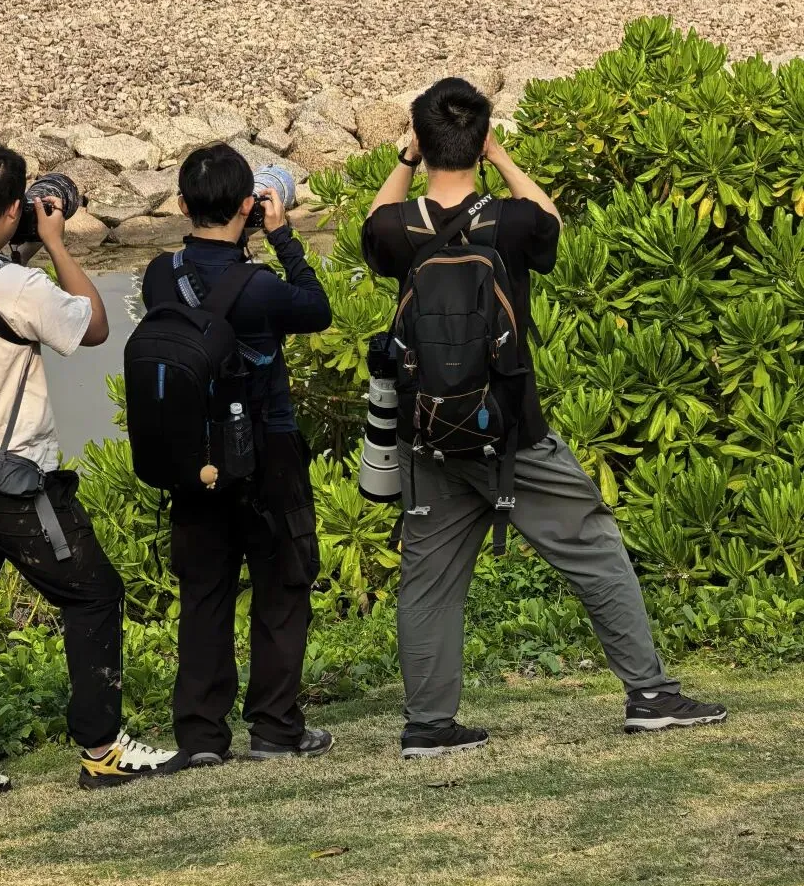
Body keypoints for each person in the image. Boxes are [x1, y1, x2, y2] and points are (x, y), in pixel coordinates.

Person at [361, 78, 727, 758]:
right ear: (480, 138)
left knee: (428, 583)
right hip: (513, 436)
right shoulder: (511, 222)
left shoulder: (399, 229)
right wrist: (500, 156)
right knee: (593, 547)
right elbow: (550, 219)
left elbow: (372, 227)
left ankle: (429, 726)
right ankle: (649, 695)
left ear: (420, 139)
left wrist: (406, 160)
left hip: (427, 437)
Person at [0, 141, 174, 799]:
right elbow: (94, 326)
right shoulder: (18, 285)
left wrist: (18, 242)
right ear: (11, 210)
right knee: (94, 594)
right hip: (13, 479)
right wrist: (54, 241)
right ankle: (102, 750)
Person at [140, 142, 334, 768]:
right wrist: (282, 236)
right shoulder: (261, 286)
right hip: (267, 450)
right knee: (281, 583)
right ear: (249, 206)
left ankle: (201, 736)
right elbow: (317, 308)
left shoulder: (159, 275)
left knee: (204, 590)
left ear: (182, 205)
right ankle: (275, 726)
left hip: (193, 455)